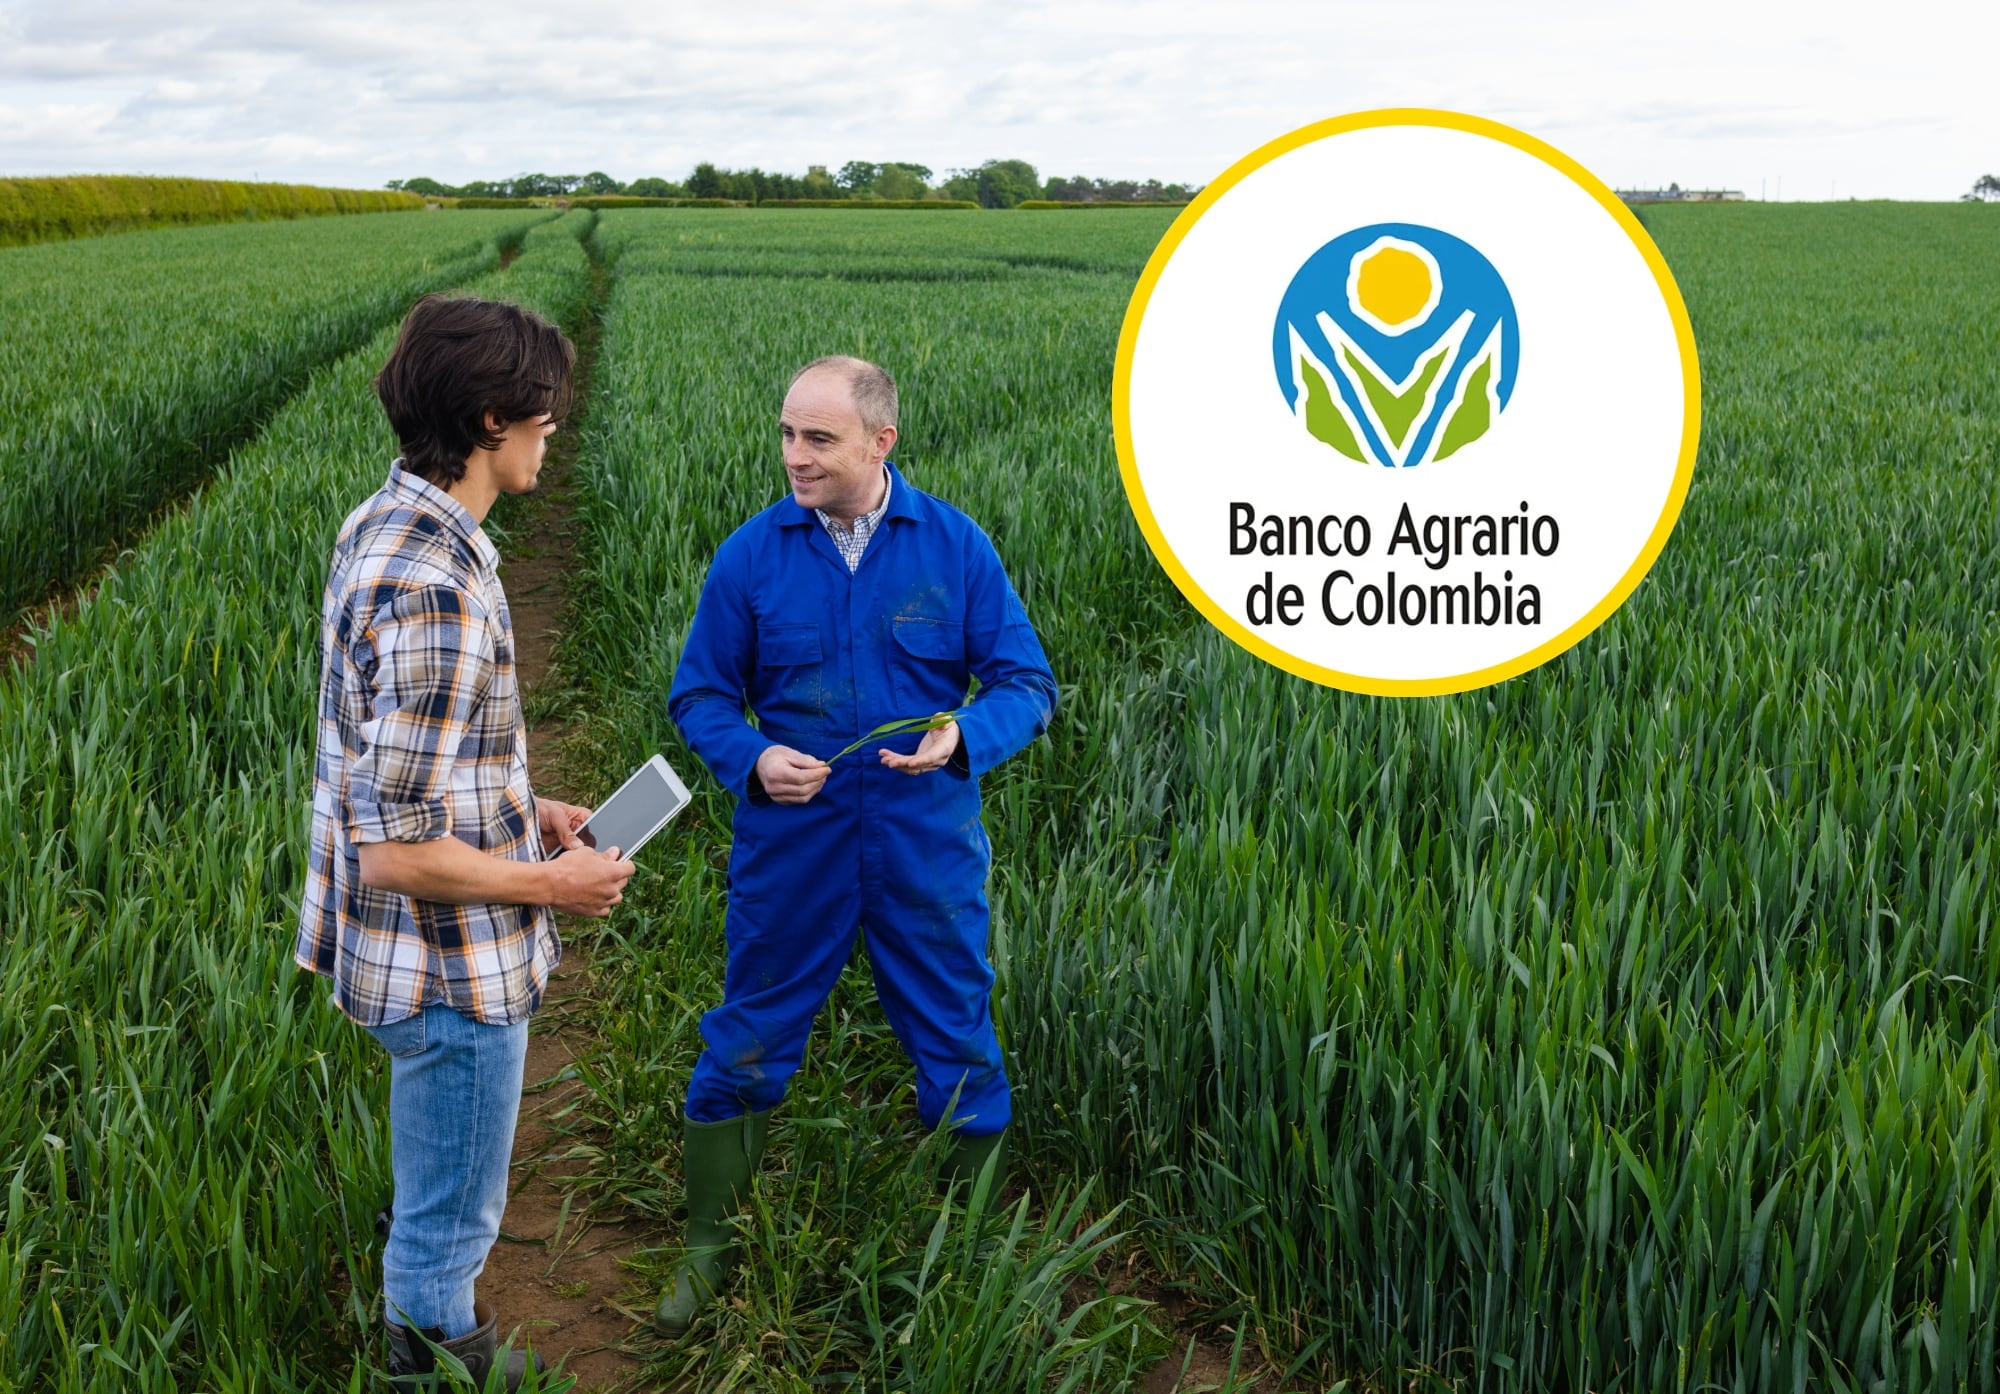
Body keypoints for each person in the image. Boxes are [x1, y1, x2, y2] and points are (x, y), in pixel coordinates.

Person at [656, 355, 1058, 1334]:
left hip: (924, 841)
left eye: (818, 438)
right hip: (792, 839)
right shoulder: (752, 555)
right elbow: (699, 693)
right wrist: (751, 757)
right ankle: (707, 1243)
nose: (793, 455)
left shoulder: (954, 548)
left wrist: (964, 734)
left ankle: (964, 1249)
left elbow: (1024, 683)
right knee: (749, 1027)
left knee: (955, 1029)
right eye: (788, 433)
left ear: (880, 442)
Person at [293, 293, 636, 1390]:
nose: (551, 433)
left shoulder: (385, 523)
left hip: (392, 951)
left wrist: (521, 804)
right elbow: (396, 849)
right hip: (447, 972)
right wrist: (553, 880)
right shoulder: (438, 588)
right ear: (490, 419)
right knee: (455, 1215)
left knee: (431, 1166)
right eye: (541, 417)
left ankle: (412, 1261)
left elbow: (392, 763)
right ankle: (430, 1348)